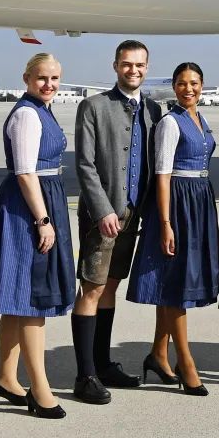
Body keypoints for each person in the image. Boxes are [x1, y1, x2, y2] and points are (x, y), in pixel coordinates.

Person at [71, 40, 163, 404]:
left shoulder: (154, 110)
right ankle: (85, 374)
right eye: (127, 64)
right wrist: (103, 209)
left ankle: (103, 362)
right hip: (104, 215)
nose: (134, 70)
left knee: (110, 287)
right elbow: (84, 164)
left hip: (135, 215)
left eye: (140, 65)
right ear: (115, 66)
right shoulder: (93, 106)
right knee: (91, 288)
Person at [127, 63, 219, 396]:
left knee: (173, 281)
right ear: (174, 86)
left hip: (198, 202)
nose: (188, 89)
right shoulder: (170, 123)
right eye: (182, 84)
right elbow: (163, 175)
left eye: (194, 83)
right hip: (177, 206)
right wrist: (166, 223)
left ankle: (158, 353)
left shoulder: (200, 119)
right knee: (177, 285)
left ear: (202, 85)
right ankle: (186, 361)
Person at [0, 53, 73, 420]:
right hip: (28, 207)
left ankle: (7, 378)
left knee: (18, 299)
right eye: (42, 78)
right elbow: (24, 172)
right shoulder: (26, 113)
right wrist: (43, 220)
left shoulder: (43, 109)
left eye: (54, 78)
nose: (49, 84)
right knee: (33, 298)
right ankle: (39, 387)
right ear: (26, 78)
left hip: (40, 199)